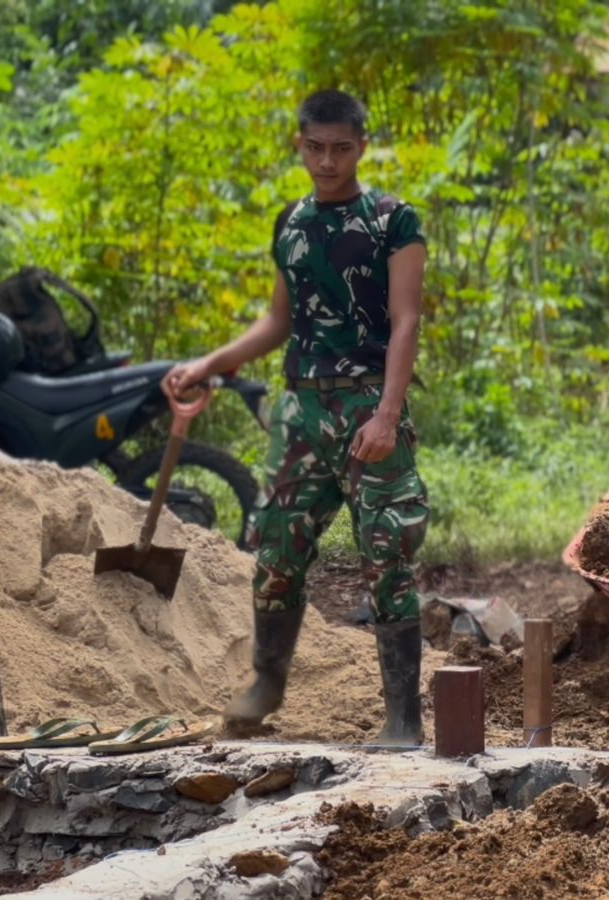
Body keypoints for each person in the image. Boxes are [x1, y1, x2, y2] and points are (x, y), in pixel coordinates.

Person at [165, 90, 429, 744]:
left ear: (362, 146)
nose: (328, 160)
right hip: (302, 410)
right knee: (276, 547)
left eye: (341, 148)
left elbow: (407, 318)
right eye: (316, 147)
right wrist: (209, 364)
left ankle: (402, 717)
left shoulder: (393, 219)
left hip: (369, 402)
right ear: (299, 145)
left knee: (387, 552)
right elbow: (279, 321)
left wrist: (388, 414)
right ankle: (267, 681)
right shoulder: (292, 221)